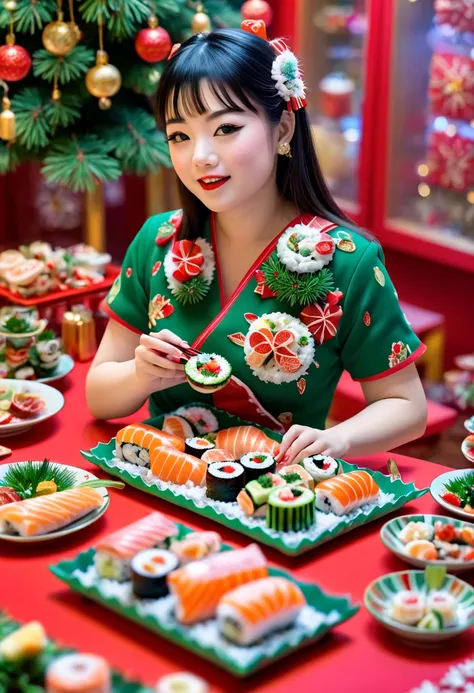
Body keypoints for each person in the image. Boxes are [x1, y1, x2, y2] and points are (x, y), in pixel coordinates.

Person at [86, 20, 427, 465]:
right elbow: (99, 396)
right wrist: (139, 374)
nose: (200, 156)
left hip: (273, 498)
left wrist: (338, 440)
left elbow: (407, 407)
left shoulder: (350, 261)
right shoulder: (158, 240)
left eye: (226, 128)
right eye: (179, 136)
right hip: (160, 478)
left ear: (282, 129)